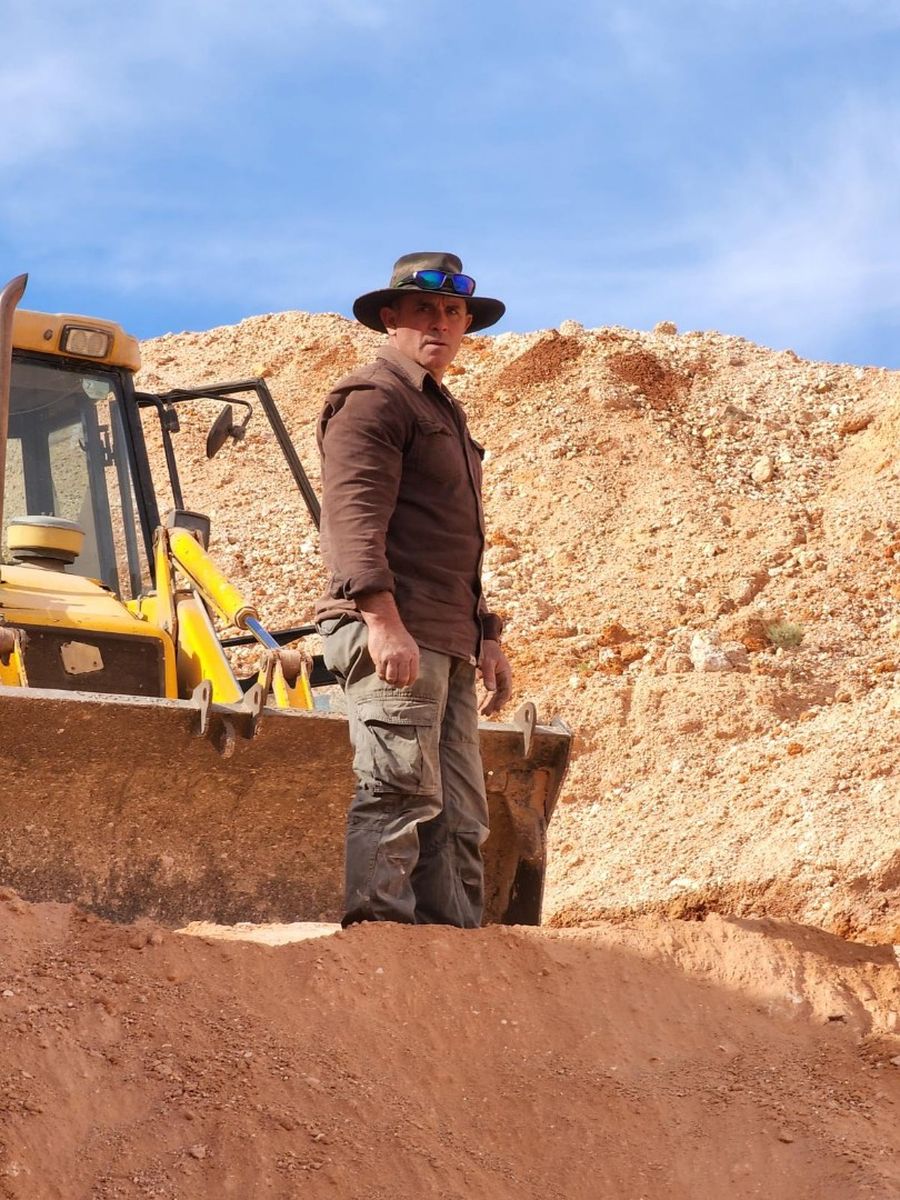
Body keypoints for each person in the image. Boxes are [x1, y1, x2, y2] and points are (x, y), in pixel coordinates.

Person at [315, 251, 512, 928]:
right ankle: (379, 949)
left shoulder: (445, 415)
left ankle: (448, 963)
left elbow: (455, 545)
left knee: (459, 814)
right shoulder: (374, 399)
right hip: (396, 627)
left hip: (447, 635)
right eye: (424, 309)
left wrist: (486, 635)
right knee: (398, 790)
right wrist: (381, 619)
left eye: (453, 312)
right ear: (390, 317)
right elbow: (352, 518)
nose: (441, 322)